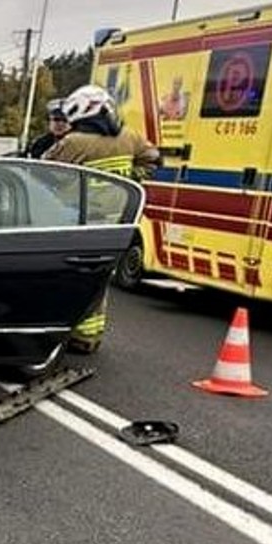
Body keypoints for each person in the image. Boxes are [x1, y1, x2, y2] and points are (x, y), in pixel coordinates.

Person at [42, 84, 160, 352]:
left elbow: (42, 171)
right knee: (100, 279)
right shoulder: (131, 138)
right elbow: (153, 160)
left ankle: (61, 332)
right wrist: (132, 179)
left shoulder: (74, 142)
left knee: (67, 278)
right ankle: (88, 337)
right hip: (117, 222)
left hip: (79, 220)